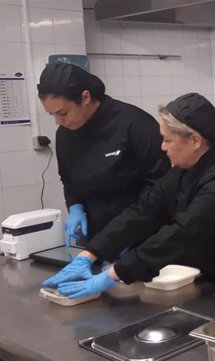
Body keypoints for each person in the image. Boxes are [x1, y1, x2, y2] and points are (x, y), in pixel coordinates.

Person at [42, 93, 215, 299]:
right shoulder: (185, 168)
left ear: (195, 140)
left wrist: (113, 275)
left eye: (167, 139)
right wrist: (92, 254)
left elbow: (180, 234)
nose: (162, 147)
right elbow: (143, 211)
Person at [37, 63, 170, 246]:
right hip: (96, 236)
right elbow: (68, 179)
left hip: (144, 235)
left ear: (85, 97)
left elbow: (161, 185)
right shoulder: (65, 135)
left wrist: (128, 234)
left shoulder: (135, 124)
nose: (58, 122)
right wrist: (75, 207)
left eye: (62, 113)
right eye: (51, 115)